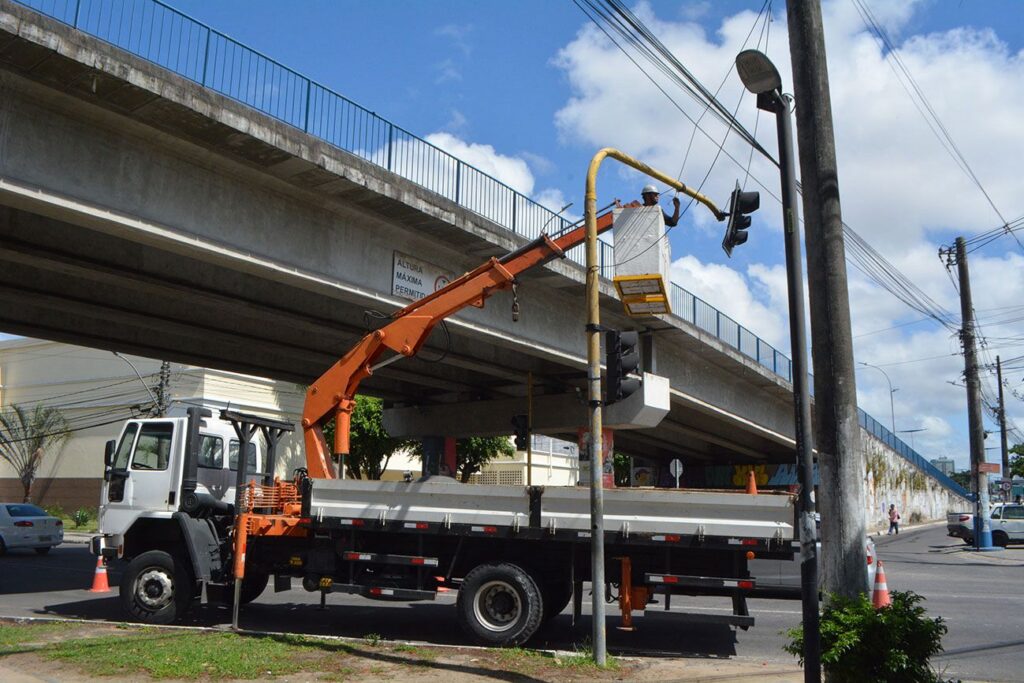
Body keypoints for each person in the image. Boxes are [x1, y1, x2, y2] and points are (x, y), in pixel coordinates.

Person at [616, 185, 681, 227]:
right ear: (647, 196)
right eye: (655, 194)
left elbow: (673, 222)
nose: (657, 196)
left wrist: (677, 207)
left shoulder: (658, 210)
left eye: (657, 195)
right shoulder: (636, 208)